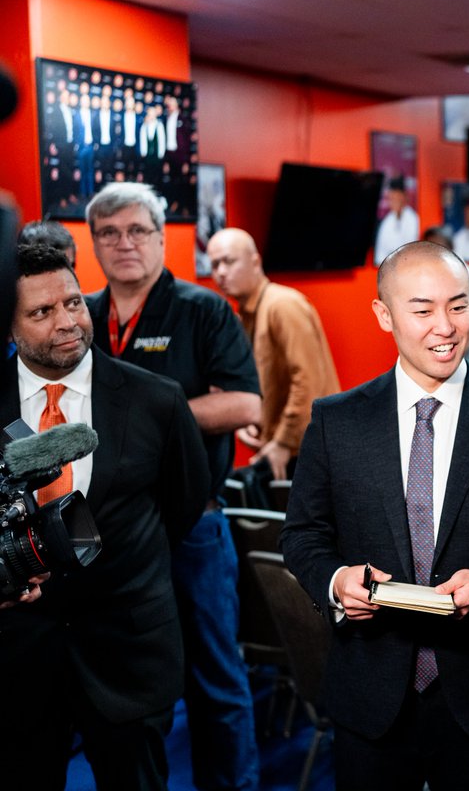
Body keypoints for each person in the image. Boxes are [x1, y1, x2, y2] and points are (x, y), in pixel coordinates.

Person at [280, 241, 469, 789]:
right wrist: (336, 580)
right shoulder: (336, 421)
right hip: (372, 694)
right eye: (422, 310)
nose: (445, 327)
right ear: (384, 315)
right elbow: (303, 534)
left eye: (459, 305)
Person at [1, 243, 210, 791]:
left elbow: (183, 508)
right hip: (18, 660)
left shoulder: (157, 400)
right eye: (42, 312)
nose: (68, 321)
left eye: (73, 302)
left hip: (129, 656)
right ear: (9, 325)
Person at [83, 182, 263, 791]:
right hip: (109, 535)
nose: (123, 244)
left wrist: (150, 413)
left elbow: (244, 402)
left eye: (137, 230)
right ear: (95, 244)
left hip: (192, 525)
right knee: (128, 686)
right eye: (109, 233)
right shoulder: (81, 315)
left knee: (216, 679)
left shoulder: (202, 310)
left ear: (161, 237)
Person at [208, 227, 341, 480]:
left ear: (255, 261)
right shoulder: (247, 313)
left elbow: (308, 381)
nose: (221, 273)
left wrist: (283, 442)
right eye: (215, 265)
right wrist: (254, 418)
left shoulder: (282, 305)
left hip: (308, 451)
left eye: (229, 261)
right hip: (288, 450)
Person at [423, 225, 469, 369]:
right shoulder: (429, 278)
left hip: (467, 362)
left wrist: (454, 342)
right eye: (428, 249)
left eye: (438, 249)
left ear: (450, 249)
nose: (432, 254)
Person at [374, 176, 420, 266]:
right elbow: (380, 253)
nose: (394, 201)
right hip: (388, 268)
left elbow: (412, 248)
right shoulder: (386, 222)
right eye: (391, 198)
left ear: (404, 196)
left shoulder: (413, 219)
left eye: (397, 197)